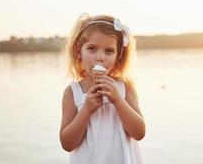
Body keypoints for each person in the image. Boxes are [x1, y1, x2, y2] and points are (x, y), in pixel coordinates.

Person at [59, 13, 145, 164]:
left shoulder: (124, 87)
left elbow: (139, 133)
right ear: (79, 51)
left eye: (109, 51)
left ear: (118, 56)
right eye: (92, 49)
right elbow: (67, 144)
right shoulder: (73, 92)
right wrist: (86, 110)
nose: (100, 57)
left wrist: (118, 101)